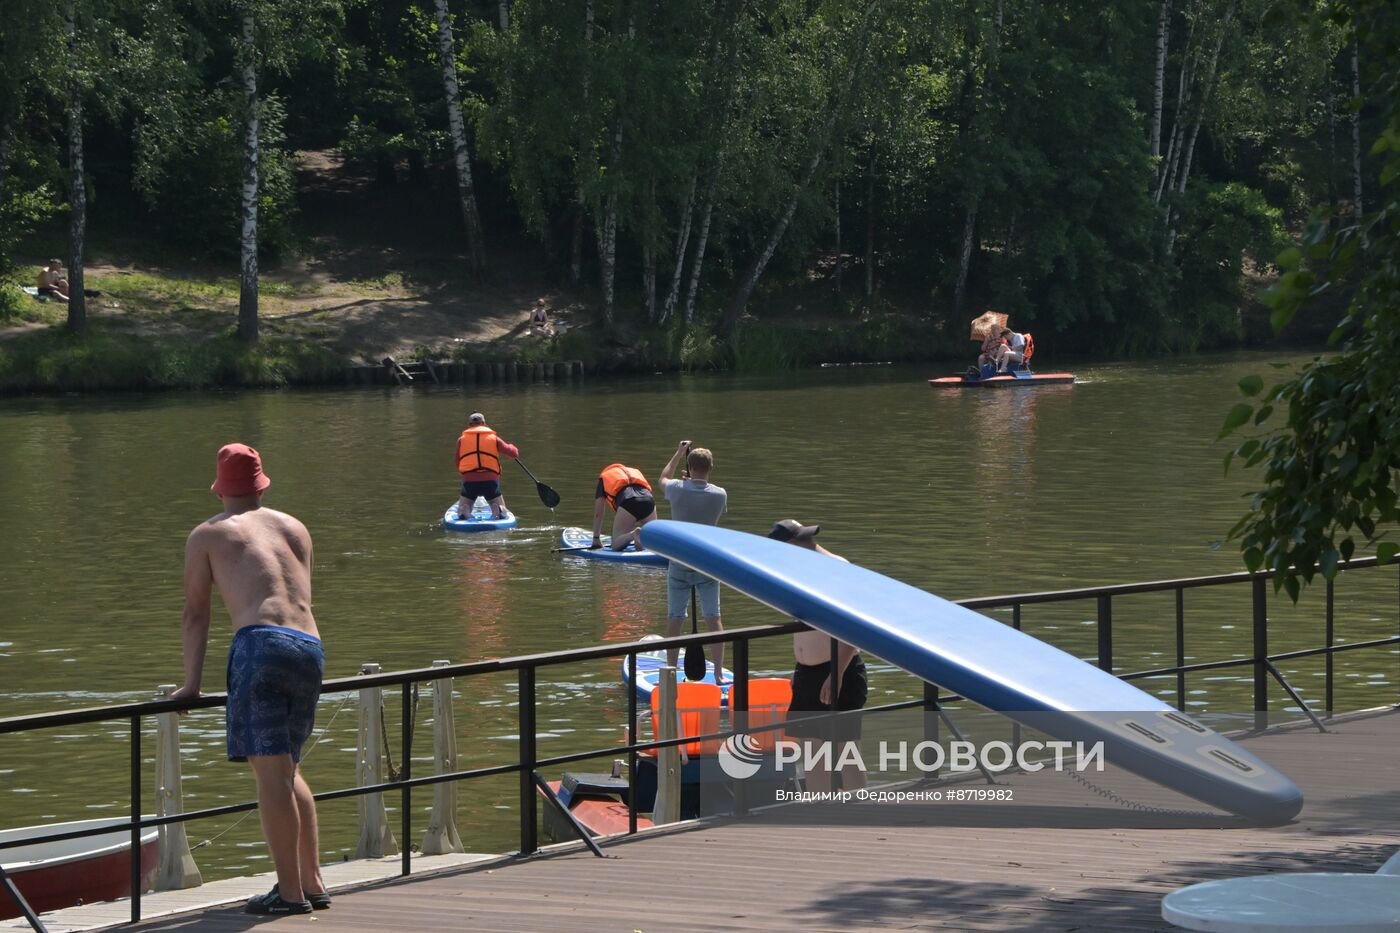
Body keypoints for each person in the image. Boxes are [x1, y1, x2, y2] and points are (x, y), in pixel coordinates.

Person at [170, 444, 329, 916]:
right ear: (262, 483)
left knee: (270, 775)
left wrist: (191, 685)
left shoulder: (208, 535)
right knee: (288, 768)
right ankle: (312, 881)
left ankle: (289, 893)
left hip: (259, 647)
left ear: (219, 488)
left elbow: (195, 615)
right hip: (309, 648)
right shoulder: (294, 527)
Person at [768, 520, 868, 793]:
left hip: (840, 670)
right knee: (812, 752)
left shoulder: (837, 568)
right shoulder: (800, 572)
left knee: (847, 751)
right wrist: (800, 669)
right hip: (807, 673)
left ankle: (862, 814)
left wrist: (835, 675)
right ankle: (819, 813)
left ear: (791, 545)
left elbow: (855, 631)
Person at [659, 441, 729, 682]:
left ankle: (670, 672)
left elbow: (663, 479)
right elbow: (701, 494)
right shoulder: (720, 494)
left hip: (680, 561)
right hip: (708, 562)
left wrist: (678, 453)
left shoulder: (677, 488)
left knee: (675, 618)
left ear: (689, 466)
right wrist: (690, 482)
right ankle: (719, 673)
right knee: (714, 618)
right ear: (712, 467)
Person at [456, 412, 520, 519]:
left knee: (462, 507)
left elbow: (458, 462)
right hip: (490, 482)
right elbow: (514, 454)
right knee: (501, 506)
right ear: (484, 423)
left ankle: (465, 509)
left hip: (469, 482)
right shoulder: (494, 438)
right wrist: (511, 446)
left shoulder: (461, 440)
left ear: (469, 425)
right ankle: (498, 509)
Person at [592, 463, 656, 551]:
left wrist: (596, 538)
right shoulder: (634, 471)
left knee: (615, 545)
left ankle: (633, 534)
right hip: (648, 500)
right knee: (654, 537)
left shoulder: (604, 478)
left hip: (628, 501)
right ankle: (645, 539)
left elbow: (598, 513)